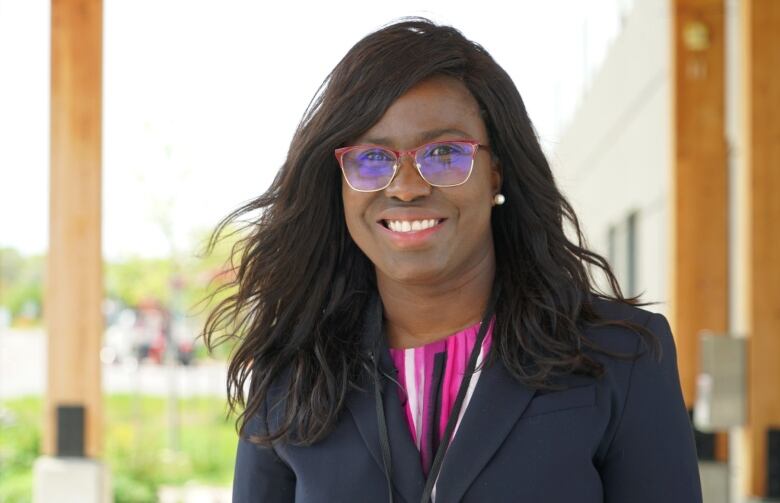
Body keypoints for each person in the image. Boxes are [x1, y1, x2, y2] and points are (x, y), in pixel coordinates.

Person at [204, 18, 703, 503]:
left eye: (444, 153)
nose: (406, 187)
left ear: (496, 175)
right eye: (373, 159)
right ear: (337, 184)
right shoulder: (290, 374)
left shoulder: (621, 357)